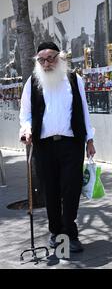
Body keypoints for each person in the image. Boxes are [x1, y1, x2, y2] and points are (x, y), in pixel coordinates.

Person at [19, 42, 96, 253]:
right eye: (41, 60)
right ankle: (56, 233)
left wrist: (89, 139)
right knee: (50, 190)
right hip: (44, 146)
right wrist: (26, 130)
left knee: (71, 189)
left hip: (71, 143)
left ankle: (70, 234)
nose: (46, 63)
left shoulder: (73, 79)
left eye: (51, 58)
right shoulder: (32, 82)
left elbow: (84, 110)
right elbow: (25, 113)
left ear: (60, 58)